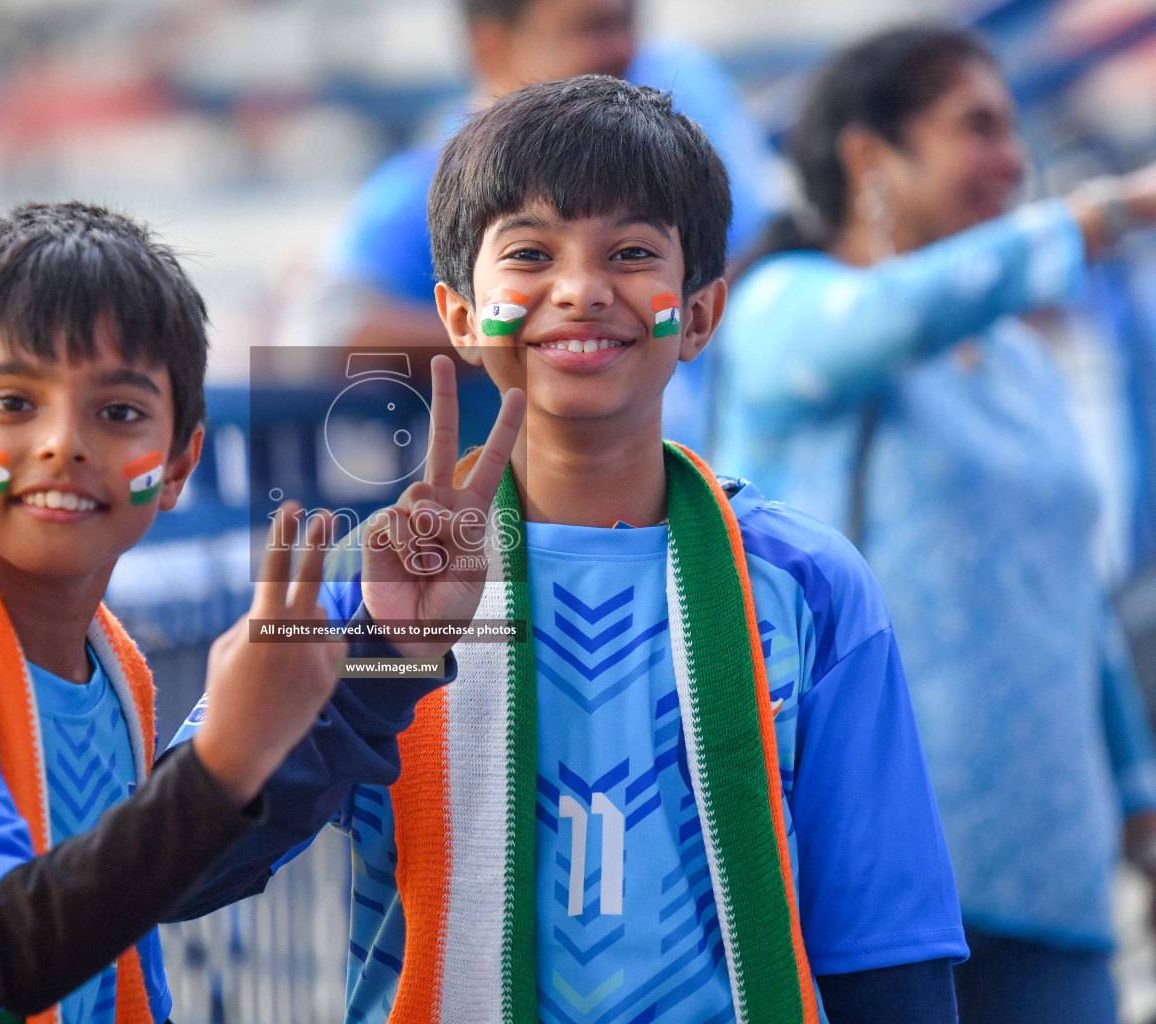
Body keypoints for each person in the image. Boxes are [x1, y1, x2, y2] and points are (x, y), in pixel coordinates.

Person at [186, 75, 968, 1023]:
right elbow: (187, 864)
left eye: (633, 252)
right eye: (529, 253)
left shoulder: (808, 586)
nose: (582, 291)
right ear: (462, 315)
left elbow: (886, 949)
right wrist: (379, 658)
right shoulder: (371, 582)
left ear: (704, 313)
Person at [0, 201, 525, 1024]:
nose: (63, 444)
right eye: (10, 403)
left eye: (116, 413)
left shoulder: (106, 667)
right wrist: (223, 760)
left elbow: (154, 876)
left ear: (179, 464)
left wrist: (379, 649)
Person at [711, 25, 1156, 1024]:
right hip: (867, 865)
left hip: (1052, 868)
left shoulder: (1020, 361)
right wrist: (1114, 210)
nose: (1011, 159)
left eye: (1013, 131)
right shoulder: (789, 308)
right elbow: (897, 318)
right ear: (869, 155)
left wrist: (1137, 796)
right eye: (977, 129)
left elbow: (1075, 601)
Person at [291, 0, 779, 449]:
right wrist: (527, 334)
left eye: (632, 252)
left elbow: (759, 252)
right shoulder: (428, 184)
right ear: (493, 46)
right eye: (530, 254)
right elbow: (322, 332)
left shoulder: (680, 122)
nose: (620, 49)